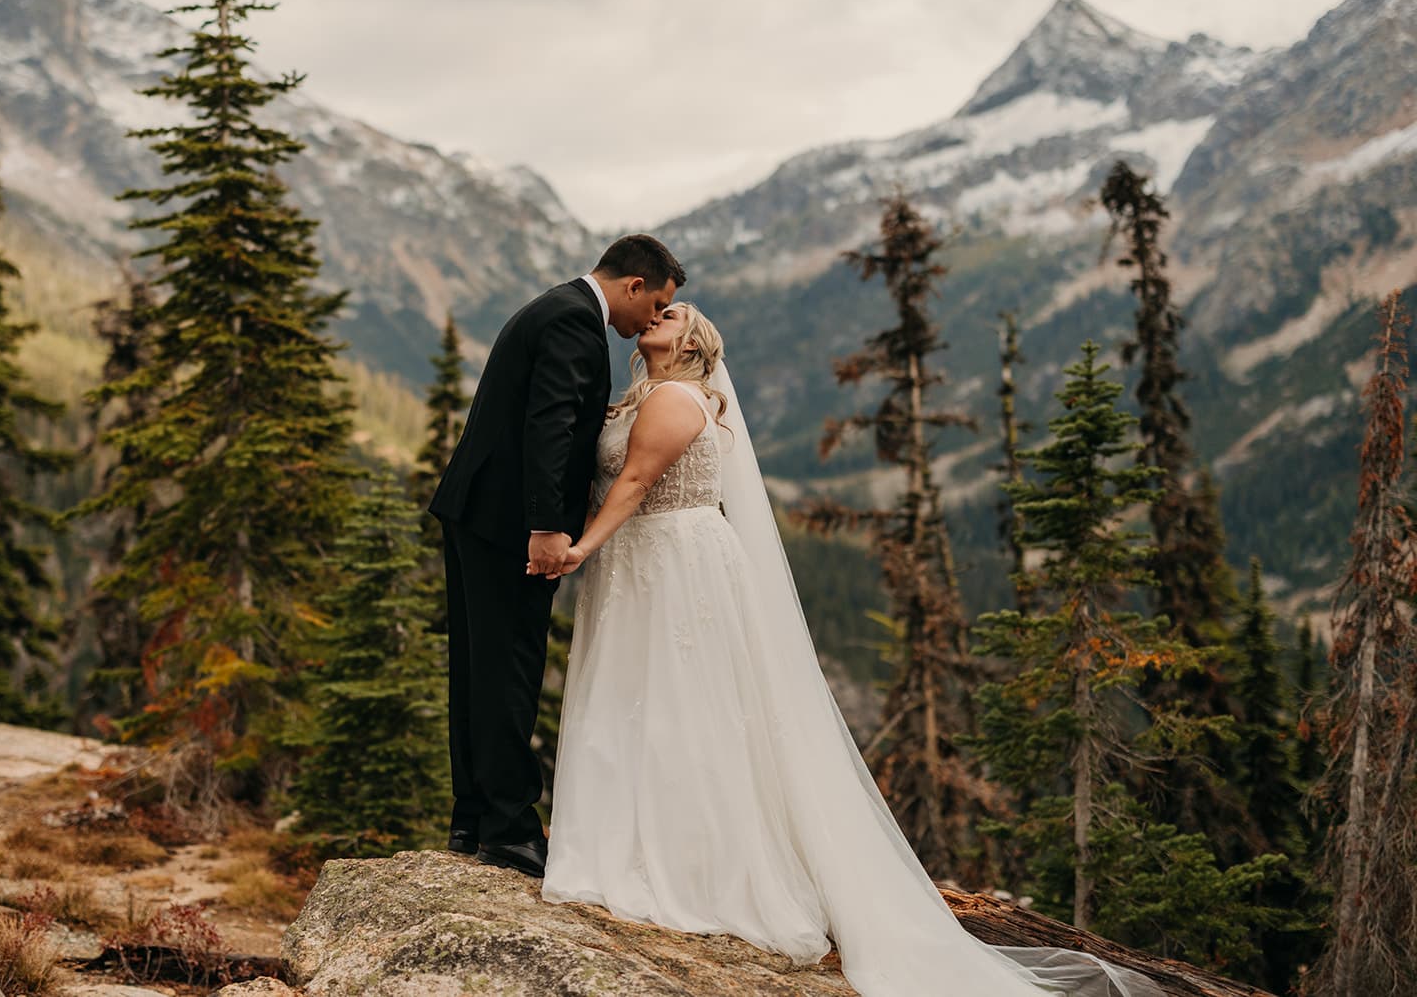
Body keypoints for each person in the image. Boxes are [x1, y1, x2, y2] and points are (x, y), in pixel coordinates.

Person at [538, 302, 1162, 997]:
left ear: (692, 339)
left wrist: (581, 549)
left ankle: (687, 864)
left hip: (673, 563)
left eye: (673, 311)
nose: (657, 313)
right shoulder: (642, 396)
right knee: (636, 704)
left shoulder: (679, 400)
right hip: (644, 562)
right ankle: (632, 842)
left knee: (681, 709)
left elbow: (634, 482)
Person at [428, 233, 684, 879]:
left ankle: (475, 817)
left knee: (479, 667)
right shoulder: (575, 319)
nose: (651, 320)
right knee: (511, 668)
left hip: (477, 512)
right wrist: (545, 527)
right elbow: (549, 424)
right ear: (633, 284)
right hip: (510, 523)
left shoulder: (555, 306)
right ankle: (511, 830)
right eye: (655, 304)